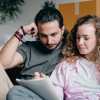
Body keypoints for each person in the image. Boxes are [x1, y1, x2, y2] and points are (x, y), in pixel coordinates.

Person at [0, 1, 68, 100]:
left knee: (15, 92)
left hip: (49, 97)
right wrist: (21, 31)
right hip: (20, 95)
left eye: (54, 34)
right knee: (15, 92)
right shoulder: (29, 47)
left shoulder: (71, 49)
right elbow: (3, 63)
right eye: (44, 35)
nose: (49, 41)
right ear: (37, 33)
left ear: (62, 30)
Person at [50, 15, 100, 99]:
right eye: (78, 37)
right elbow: (54, 94)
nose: (80, 42)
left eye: (86, 38)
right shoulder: (66, 66)